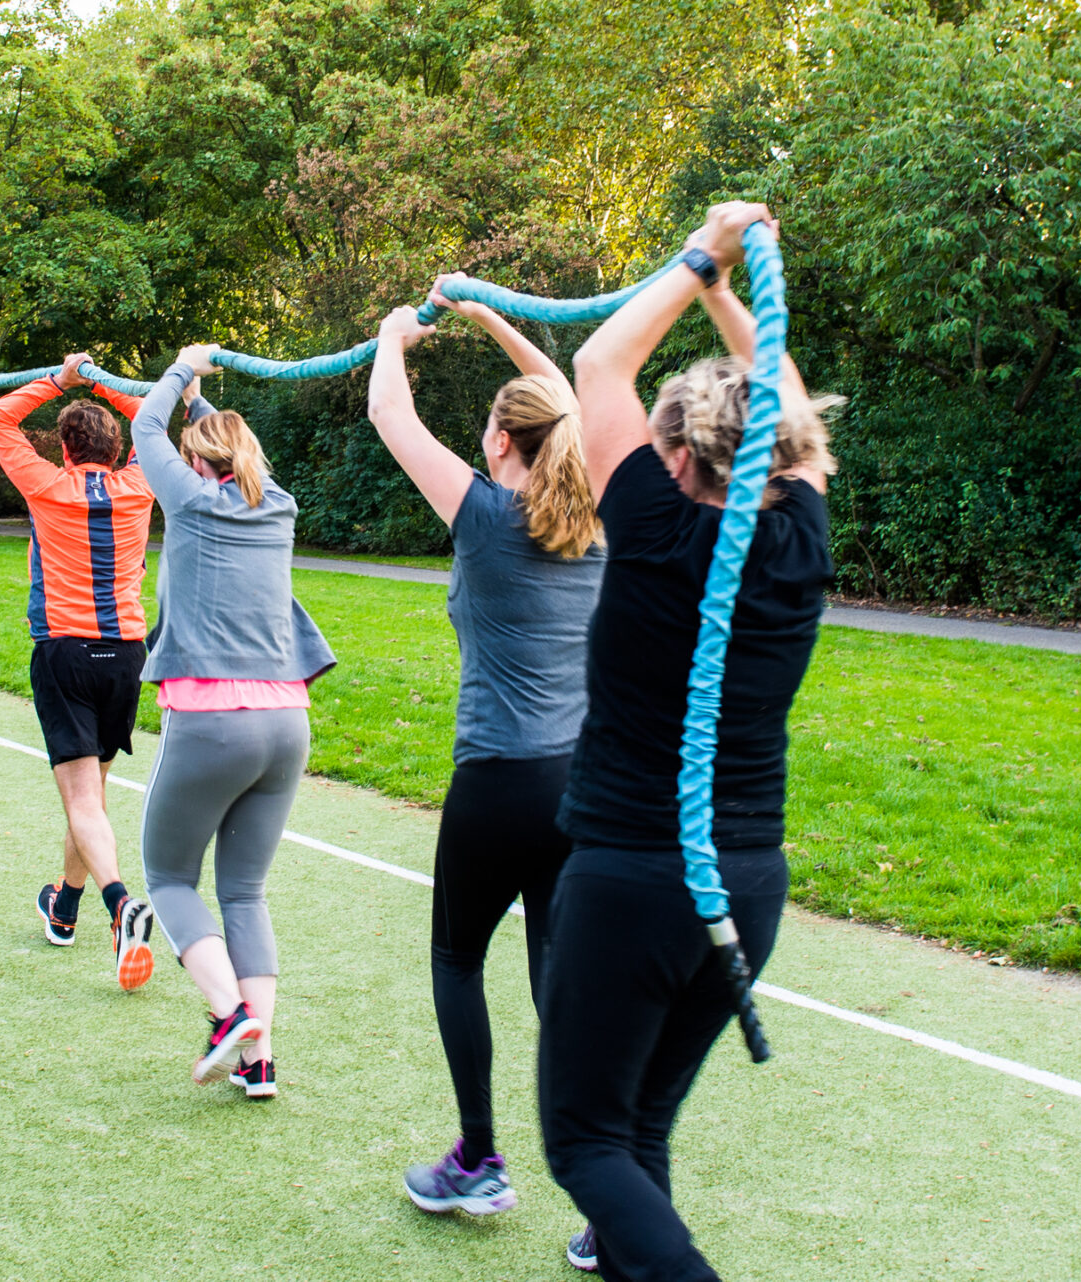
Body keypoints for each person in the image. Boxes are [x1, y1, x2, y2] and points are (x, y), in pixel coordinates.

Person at [539, 203, 839, 1280]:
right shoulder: (799, 532)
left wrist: (704, 250)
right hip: (747, 886)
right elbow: (787, 404)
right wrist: (723, 288)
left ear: (672, 452)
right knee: (640, 1131)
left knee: (584, 1139)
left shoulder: (656, 522)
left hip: (631, 880)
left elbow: (598, 356)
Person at [365, 282, 604, 1215]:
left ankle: (479, 1160)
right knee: (556, 988)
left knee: (457, 962)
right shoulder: (594, 526)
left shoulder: (484, 515)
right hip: (579, 788)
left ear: (502, 441)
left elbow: (390, 409)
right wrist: (488, 321)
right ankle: (601, 1200)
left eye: (492, 428)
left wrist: (396, 335)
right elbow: (563, 402)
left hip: (501, 782)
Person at [130, 345, 336, 1100]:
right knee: (244, 892)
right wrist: (202, 411)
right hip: (287, 725)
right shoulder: (275, 506)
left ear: (195, 461)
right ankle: (260, 1060)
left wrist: (182, 372)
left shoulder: (188, 499)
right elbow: (220, 448)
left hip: (215, 722)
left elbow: (142, 431)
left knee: (171, 876)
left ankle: (229, 1016)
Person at [0, 351, 214, 990]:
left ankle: (119, 904)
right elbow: (151, 424)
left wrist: (65, 379)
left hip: (64, 652)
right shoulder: (143, 483)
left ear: (61, 446)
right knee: (92, 795)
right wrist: (108, 386)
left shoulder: (46, 484)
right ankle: (66, 906)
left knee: (82, 795)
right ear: (119, 448)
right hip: (127, 657)